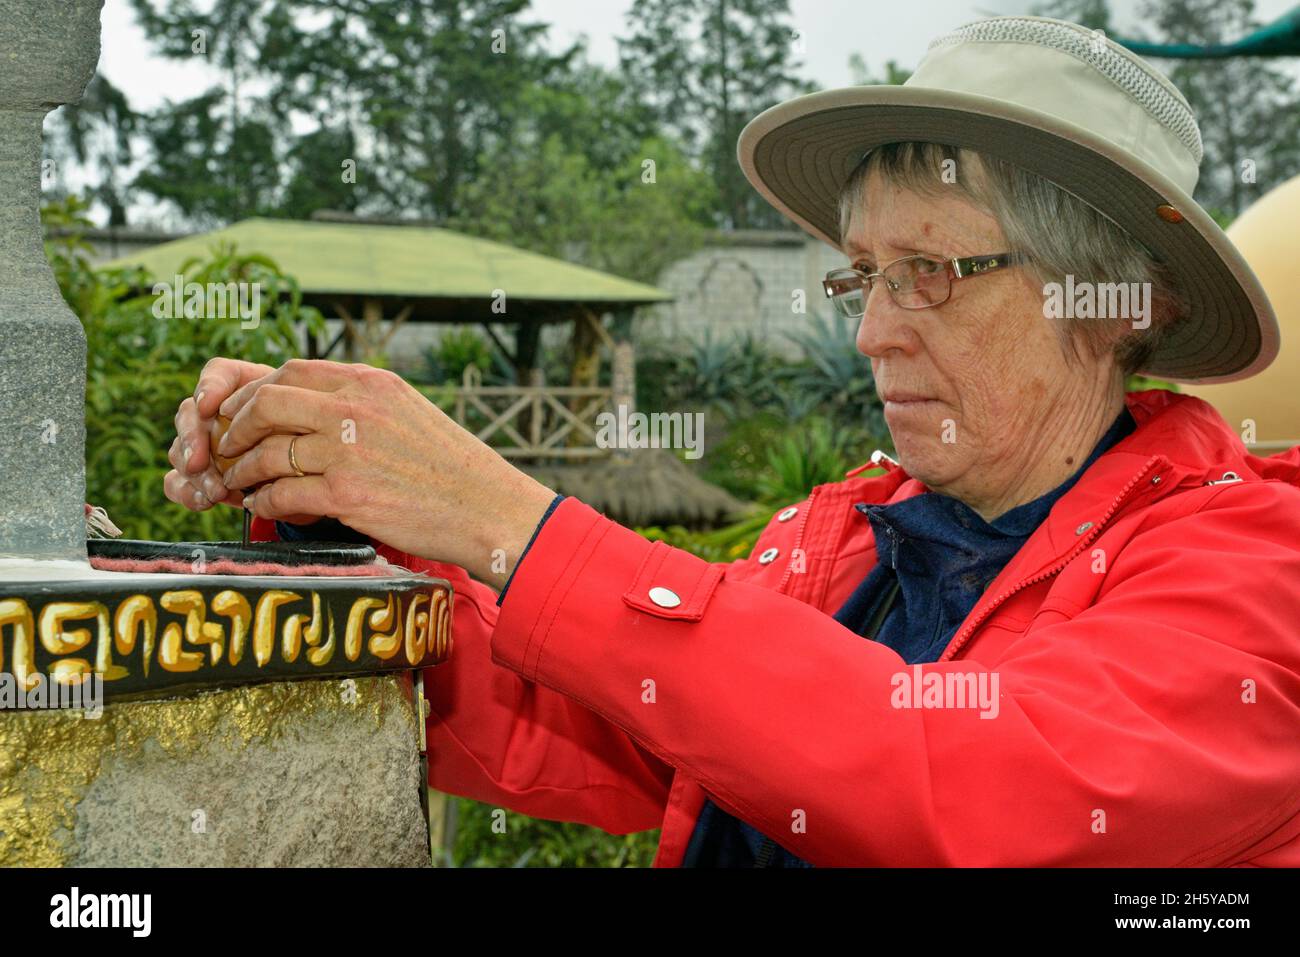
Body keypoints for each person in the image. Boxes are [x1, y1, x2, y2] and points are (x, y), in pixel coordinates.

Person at [164, 16, 1300, 866]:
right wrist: (331, 514)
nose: (869, 332)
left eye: (933, 276)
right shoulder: (843, 548)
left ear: (1113, 303)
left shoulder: (1252, 565)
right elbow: (554, 723)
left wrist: (510, 520)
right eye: (862, 274)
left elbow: (968, 784)